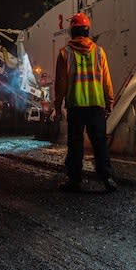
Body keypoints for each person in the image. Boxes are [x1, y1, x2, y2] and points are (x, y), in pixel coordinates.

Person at [54, 12, 117, 192]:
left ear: (72, 32)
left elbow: (60, 85)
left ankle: (75, 180)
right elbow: (106, 80)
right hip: (96, 105)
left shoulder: (64, 53)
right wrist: (109, 101)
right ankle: (108, 179)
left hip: (75, 106)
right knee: (100, 143)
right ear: (87, 30)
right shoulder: (99, 52)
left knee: (75, 144)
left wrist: (57, 107)